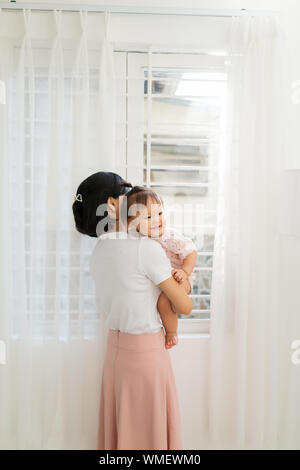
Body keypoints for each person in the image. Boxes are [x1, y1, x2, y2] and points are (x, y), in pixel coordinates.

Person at [72, 171, 192, 450]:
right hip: (145, 357)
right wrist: (184, 279)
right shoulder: (144, 249)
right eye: (125, 191)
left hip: (114, 354)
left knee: (122, 438)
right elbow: (184, 306)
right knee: (149, 440)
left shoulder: (99, 252)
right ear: (113, 205)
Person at [125, 185, 197, 349]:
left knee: (164, 303)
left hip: (179, 277)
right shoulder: (135, 238)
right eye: (149, 217)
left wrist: (184, 272)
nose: (157, 220)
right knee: (160, 302)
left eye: (160, 213)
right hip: (161, 281)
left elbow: (191, 251)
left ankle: (171, 332)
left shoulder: (169, 235)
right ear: (133, 223)